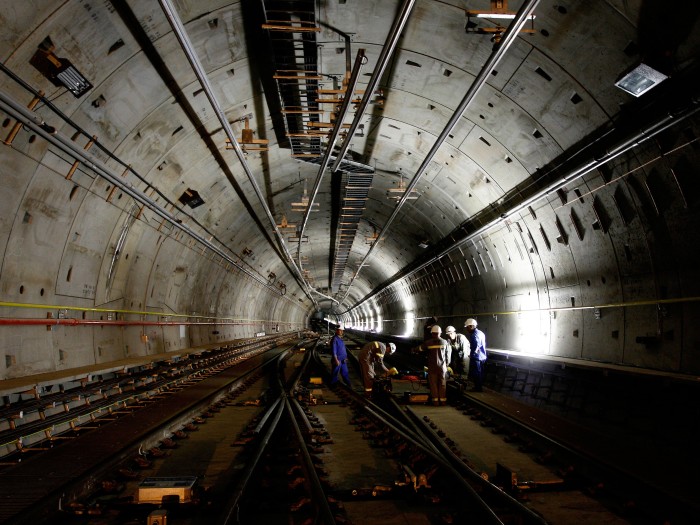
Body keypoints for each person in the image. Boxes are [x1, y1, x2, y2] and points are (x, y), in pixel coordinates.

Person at [424, 325, 450, 406]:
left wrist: (414, 350)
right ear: (440, 333)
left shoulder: (428, 342)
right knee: (442, 383)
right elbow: (448, 355)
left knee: (433, 384)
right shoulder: (445, 342)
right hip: (442, 367)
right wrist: (447, 364)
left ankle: (435, 401)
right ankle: (443, 401)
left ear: (432, 333)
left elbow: (420, 348)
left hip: (432, 367)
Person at [464, 318, 487, 392]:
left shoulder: (474, 335)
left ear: (471, 326)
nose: (467, 330)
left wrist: (472, 354)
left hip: (477, 357)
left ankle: (478, 388)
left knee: (477, 373)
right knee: (480, 372)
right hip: (482, 356)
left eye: (467, 327)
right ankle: (479, 387)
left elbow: (476, 346)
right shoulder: (481, 333)